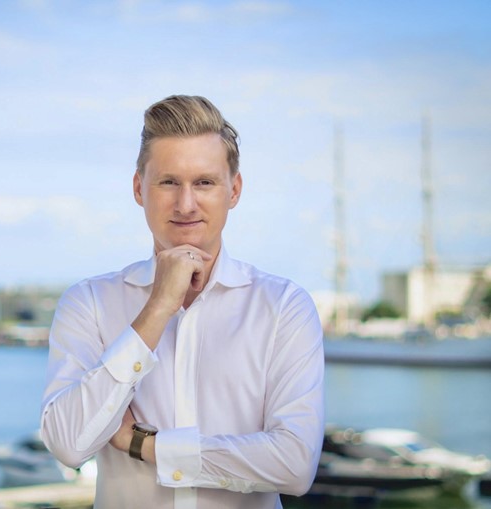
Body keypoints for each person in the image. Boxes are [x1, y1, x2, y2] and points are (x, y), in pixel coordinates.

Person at [40, 95, 324, 509]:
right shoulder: (89, 303)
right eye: (168, 182)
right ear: (139, 188)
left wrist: (144, 444)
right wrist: (157, 309)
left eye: (204, 183)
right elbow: (67, 444)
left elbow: (295, 465)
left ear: (234, 190)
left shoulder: (284, 307)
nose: (186, 204)